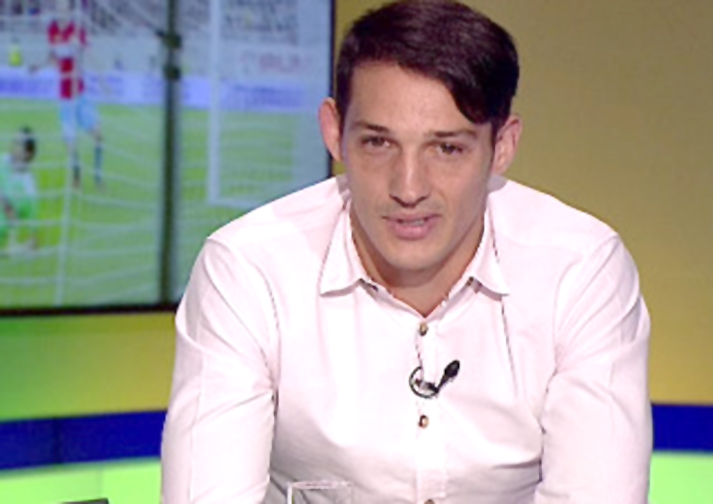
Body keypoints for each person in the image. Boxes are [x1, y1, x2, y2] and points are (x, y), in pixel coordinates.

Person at [161, 1, 652, 503]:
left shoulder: (580, 271)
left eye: (447, 148)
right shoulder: (249, 270)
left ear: (502, 146)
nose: (409, 188)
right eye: (379, 143)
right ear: (334, 132)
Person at [30, 0, 104, 189]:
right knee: (70, 143)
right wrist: (40, 66)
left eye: (64, 8)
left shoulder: (77, 29)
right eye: (58, 8)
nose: (60, 11)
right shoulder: (52, 30)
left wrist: (101, 77)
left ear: (70, 11)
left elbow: (89, 53)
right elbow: (53, 57)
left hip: (79, 92)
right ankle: (76, 178)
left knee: (98, 135)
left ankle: (98, 177)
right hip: (64, 96)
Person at [0, 127, 39, 253]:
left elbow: (33, 237)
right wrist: (5, 203)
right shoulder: (3, 161)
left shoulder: (28, 187)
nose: (13, 146)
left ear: (28, 153)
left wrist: (22, 248)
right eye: (14, 141)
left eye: (18, 143)